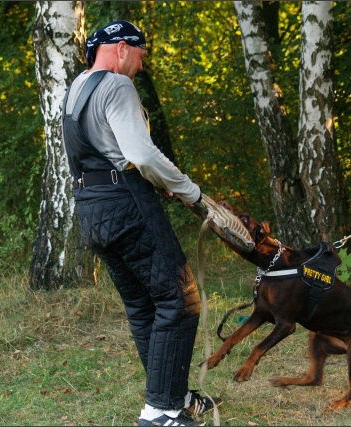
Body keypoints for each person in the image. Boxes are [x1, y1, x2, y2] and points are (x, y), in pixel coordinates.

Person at [61, 20, 217, 426]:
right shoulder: (117, 86)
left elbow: (107, 152)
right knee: (180, 301)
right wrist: (189, 190)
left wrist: (149, 178)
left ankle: (173, 395)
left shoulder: (76, 88)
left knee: (144, 305)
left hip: (91, 211)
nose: (141, 67)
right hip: (126, 206)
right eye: (142, 56)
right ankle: (160, 413)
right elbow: (141, 155)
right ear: (123, 48)